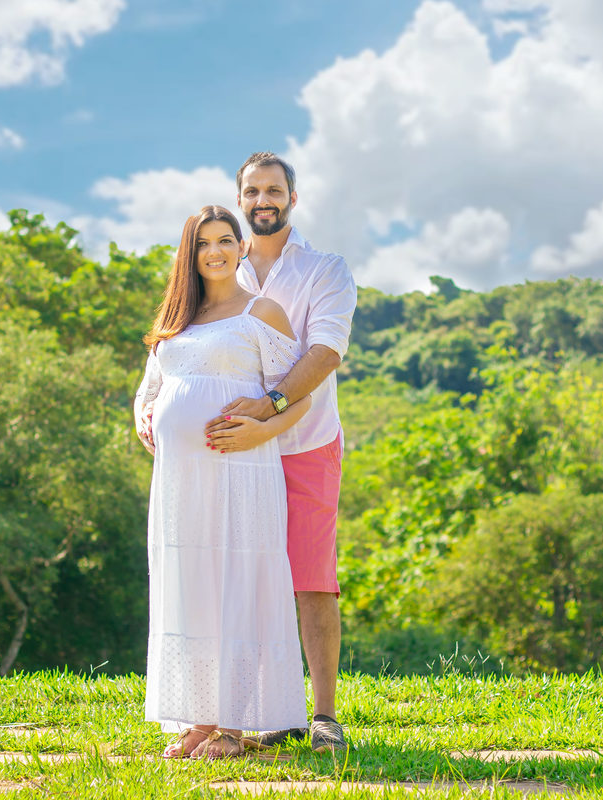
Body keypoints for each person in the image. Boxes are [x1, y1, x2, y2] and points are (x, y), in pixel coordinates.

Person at [134, 205, 312, 759]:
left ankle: (234, 725)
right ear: (190, 254)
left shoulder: (263, 312)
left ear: (241, 247)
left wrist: (261, 432)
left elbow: (297, 395)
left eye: (225, 240)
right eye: (203, 243)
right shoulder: (176, 318)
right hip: (180, 479)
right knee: (192, 583)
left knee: (236, 579)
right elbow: (153, 384)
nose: (215, 251)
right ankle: (200, 716)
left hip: (241, 472)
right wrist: (146, 414)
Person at [204, 152, 357, 753]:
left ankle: (323, 715)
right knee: (239, 576)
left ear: (293, 197)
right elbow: (176, 330)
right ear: (239, 199)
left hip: (306, 443)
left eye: (273, 190)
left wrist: (269, 407)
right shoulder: (219, 267)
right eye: (252, 192)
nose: (262, 200)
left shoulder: (325, 269)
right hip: (233, 450)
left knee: (312, 578)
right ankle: (256, 710)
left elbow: (326, 353)